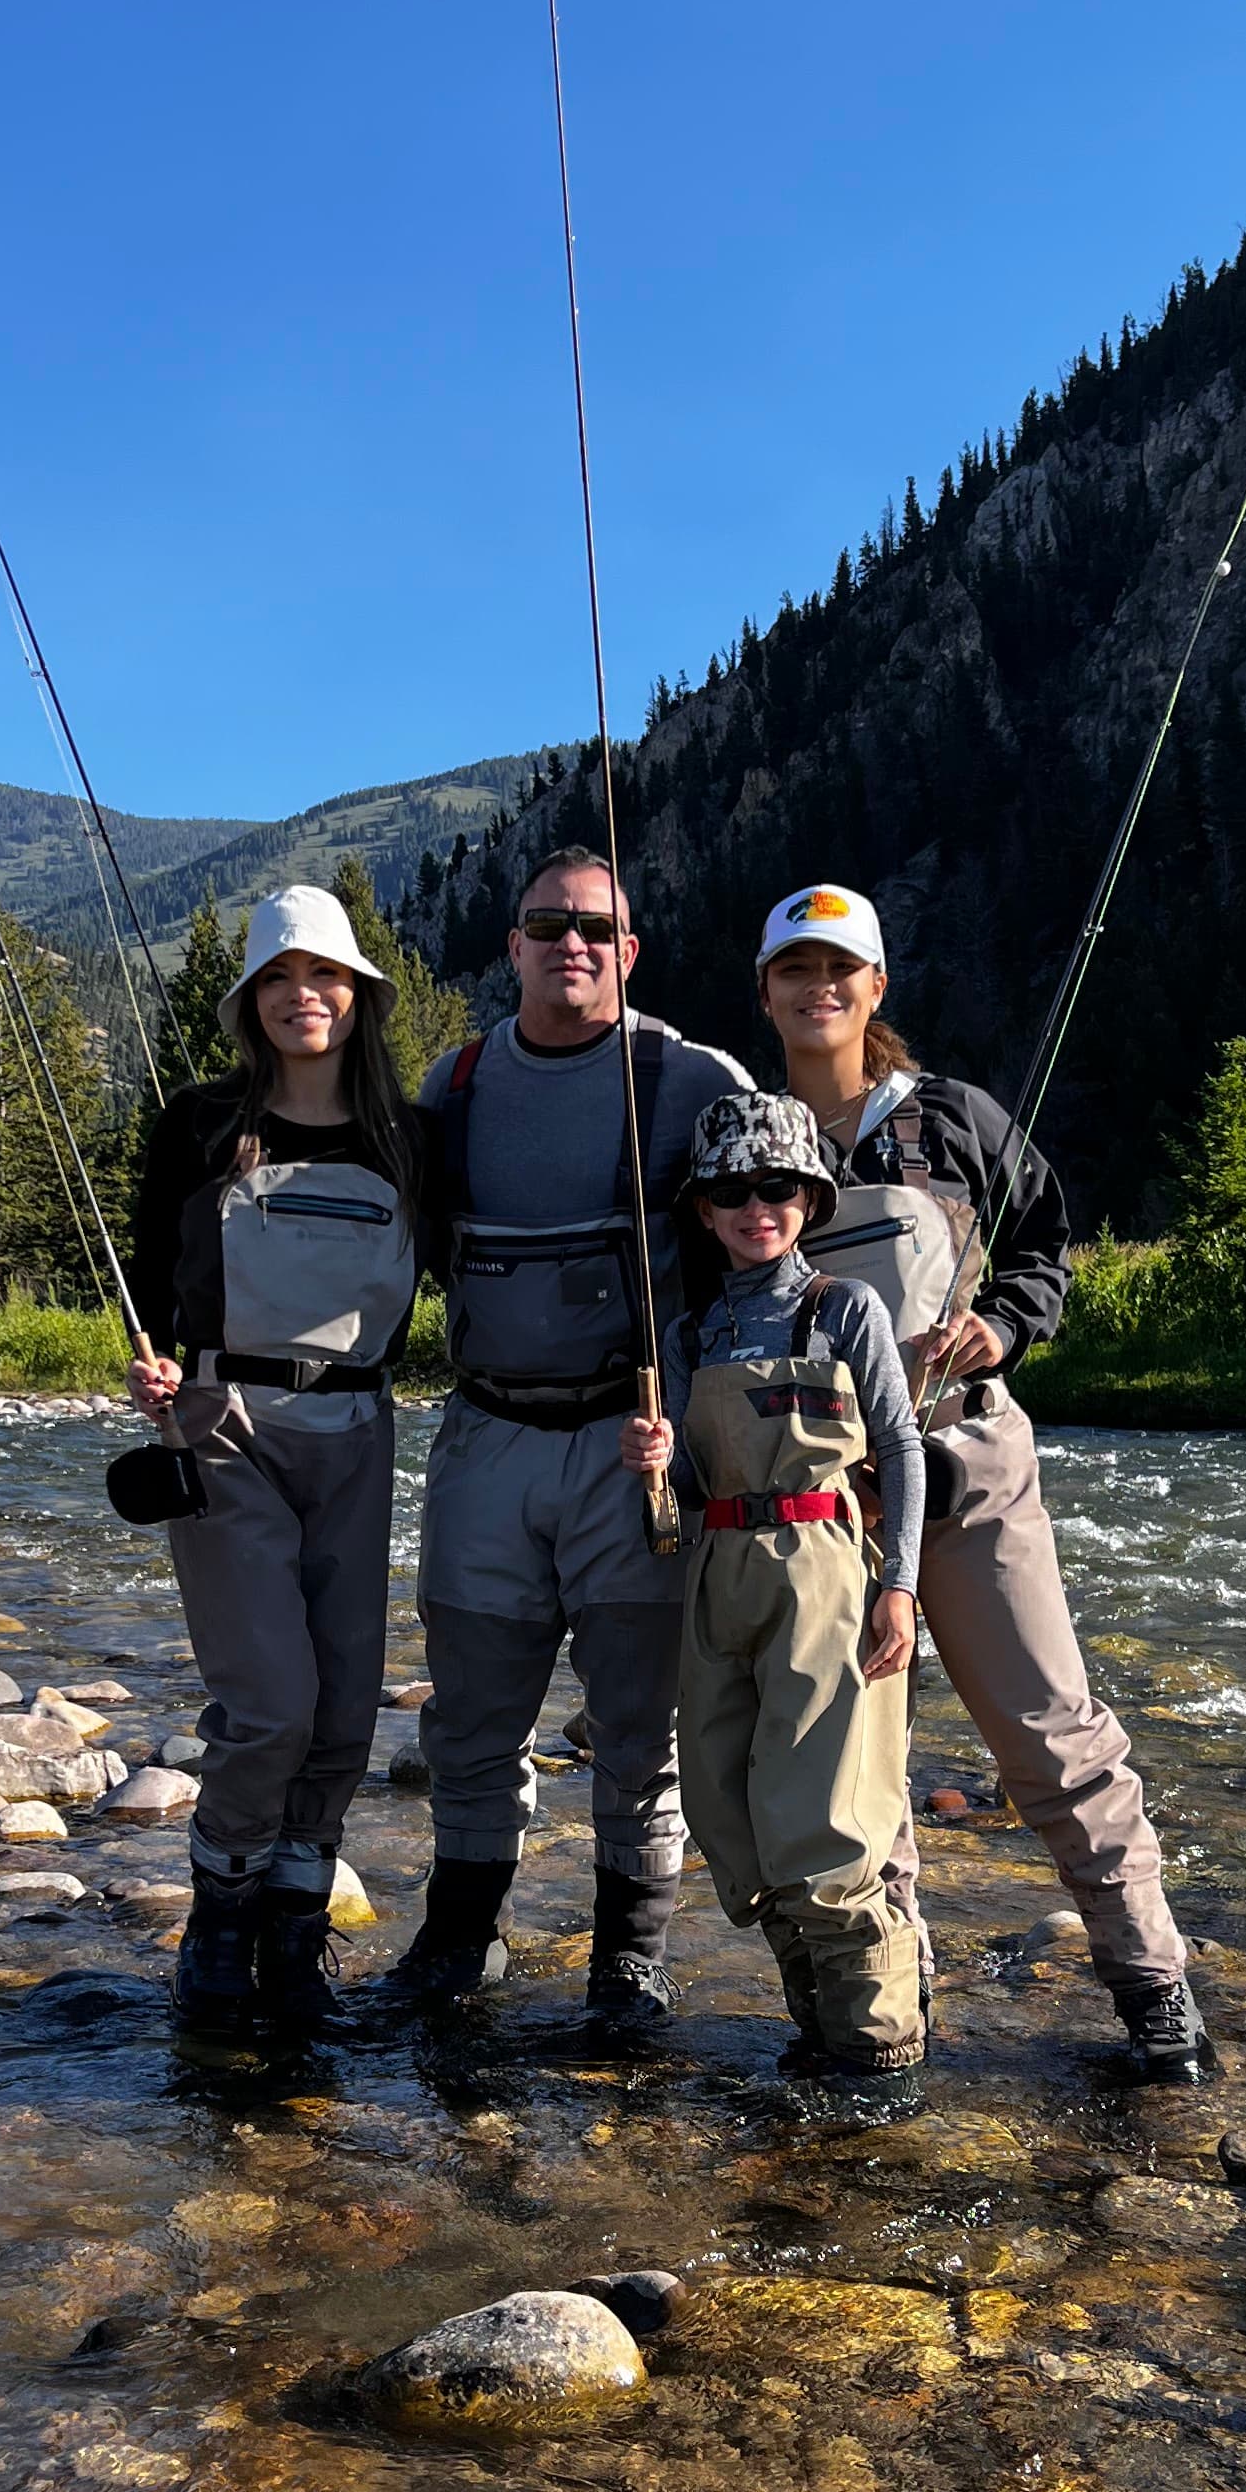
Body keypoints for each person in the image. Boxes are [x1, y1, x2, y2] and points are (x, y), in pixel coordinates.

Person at [752, 878, 1212, 2081]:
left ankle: (1153, 1990)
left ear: (876, 987)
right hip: (829, 1496)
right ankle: (885, 2012)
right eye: (796, 969)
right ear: (767, 991)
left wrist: (1003, 1326)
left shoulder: (954, 1117)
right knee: (860, 1769)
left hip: (971, 1462)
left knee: (1054, 1738)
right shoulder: (754, 1139)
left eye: (839, 968)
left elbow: (1046, 1246)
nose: (818, 988)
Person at [390, 844, 752, 2029]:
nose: (571, 945)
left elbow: (783, 1228)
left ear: (629, 950)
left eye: (595, 927)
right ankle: (461, 1936)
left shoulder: (695, 1079)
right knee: (470, 1716)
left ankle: (630, 1955)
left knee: (640, 1723)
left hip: (632, 1448)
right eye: (547, 926)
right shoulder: (453, 1084)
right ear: (513, 948)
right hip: (484, 1438)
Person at [127, 882, 425, 2042]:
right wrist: (149, 1370)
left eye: (325, 975)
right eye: (281, 979)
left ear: (359, 996)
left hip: (360, 1433)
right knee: (271, 1707)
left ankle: (295, 1936)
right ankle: (219, 1925)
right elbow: (149, 1284)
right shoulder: (197, 1126)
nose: (305, 995)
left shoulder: (411, 1138)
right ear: (251, 1002)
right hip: (222, 1428)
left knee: (344, 1707)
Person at [623, 1092, 926, 2074]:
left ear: (811, 1199)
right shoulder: (691, 1333)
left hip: (826, 1573)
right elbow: (688, 1491)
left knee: (828, 1826)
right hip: (719, 1575)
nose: (758, 1208)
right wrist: (656, 1463)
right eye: (733, 1192)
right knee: (731, 1819)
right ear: (704, 1211)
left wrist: (900, 1587)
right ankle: (819, 2033)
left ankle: (878, 2056)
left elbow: (901, 1450)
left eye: (780, 1188)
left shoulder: (846, 1309)